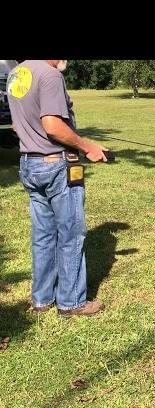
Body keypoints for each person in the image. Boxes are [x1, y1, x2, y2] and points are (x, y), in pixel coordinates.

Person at [7, 60, 108, 316]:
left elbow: (17, 125)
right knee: (71, 232)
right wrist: (88, 147)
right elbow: (52, 125)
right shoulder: (50, 74)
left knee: (42, 235)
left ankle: (42, 299)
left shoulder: (17, 73)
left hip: (29, 164)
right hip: (55, 165)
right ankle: (71, 302)